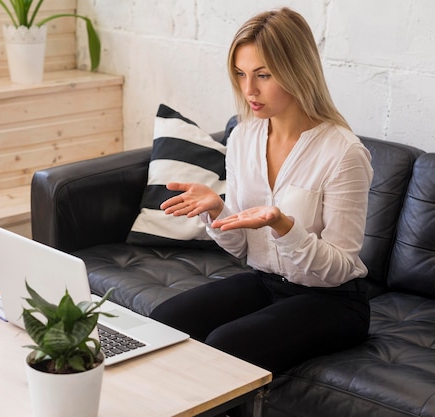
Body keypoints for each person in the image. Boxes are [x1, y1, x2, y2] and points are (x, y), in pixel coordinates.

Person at [149, 7, 373, 374]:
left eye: (263, 75)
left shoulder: (343, 152)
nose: (248, 90)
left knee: (225, 347)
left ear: (296, 71)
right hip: (266, 284)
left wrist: (286, 227)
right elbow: (241, 249)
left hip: (334, 302)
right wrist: (217, 212)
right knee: (164, 321)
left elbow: (340, 268)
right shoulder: (243, 136)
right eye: (240, 74)